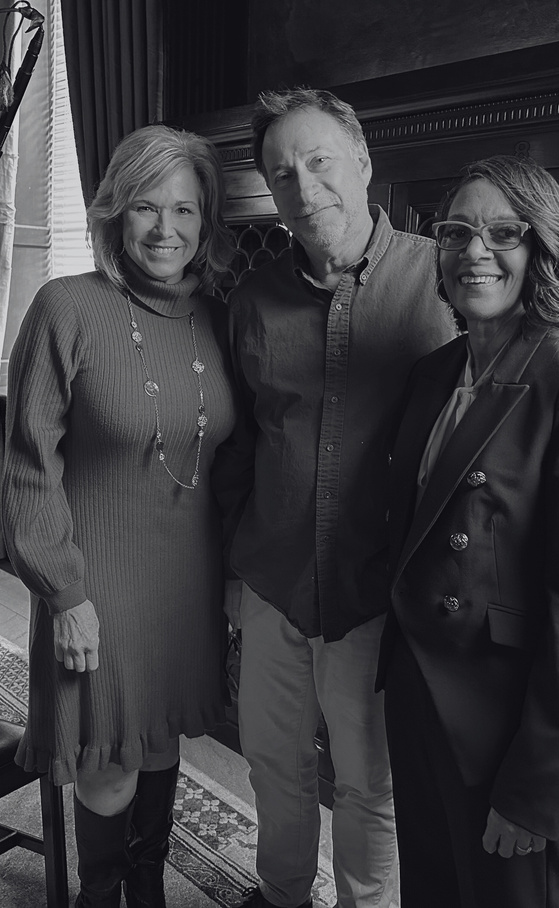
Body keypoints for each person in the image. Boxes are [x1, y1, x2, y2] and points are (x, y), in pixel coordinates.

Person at [377, 154, 559, 907]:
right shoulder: (434, 373)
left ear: (545, 250)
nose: (474, 251)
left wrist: (535, 785)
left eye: (504, 232)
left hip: (513, 724)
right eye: (456, 231)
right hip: (426, 697)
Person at [214, 88, 456, 908]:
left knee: (367, 785)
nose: (305, 186)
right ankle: (281, 895)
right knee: (275, 767)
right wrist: (230, 579)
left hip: (377, 594)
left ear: (362, 161)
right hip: (273, 582)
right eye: (283, 174)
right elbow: (241, 447)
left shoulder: (445, 281)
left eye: (319, 161)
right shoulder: (252, 304)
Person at [1, 124, 236, 908]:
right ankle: (102, 893)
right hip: (97, 588)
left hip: (183, 585)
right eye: (145, 207)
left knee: (160, 735)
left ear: (205, 222)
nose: (165, 230)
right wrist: (64, 595)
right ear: (112, 214)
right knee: (108, 763)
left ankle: (147, 888)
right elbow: (29, 468)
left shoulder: (215, 317)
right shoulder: (65, 307)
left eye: (184, 210)